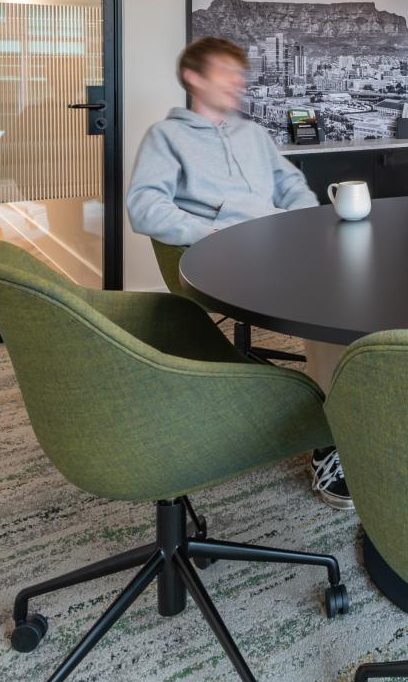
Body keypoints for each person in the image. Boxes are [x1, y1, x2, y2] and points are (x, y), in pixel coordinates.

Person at [126, 36, 353, 509]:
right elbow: (144, 206)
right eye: (226, 72)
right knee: (333, 298)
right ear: (193, 77)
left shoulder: (252, 134)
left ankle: (358, 394)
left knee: (358, 274)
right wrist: (203, 231)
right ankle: (330, 440)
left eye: (240, 72)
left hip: (276, 244)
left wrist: (303, 220)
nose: (239, 82)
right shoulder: (166, 138)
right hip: (221, 254)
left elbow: (289, 183)